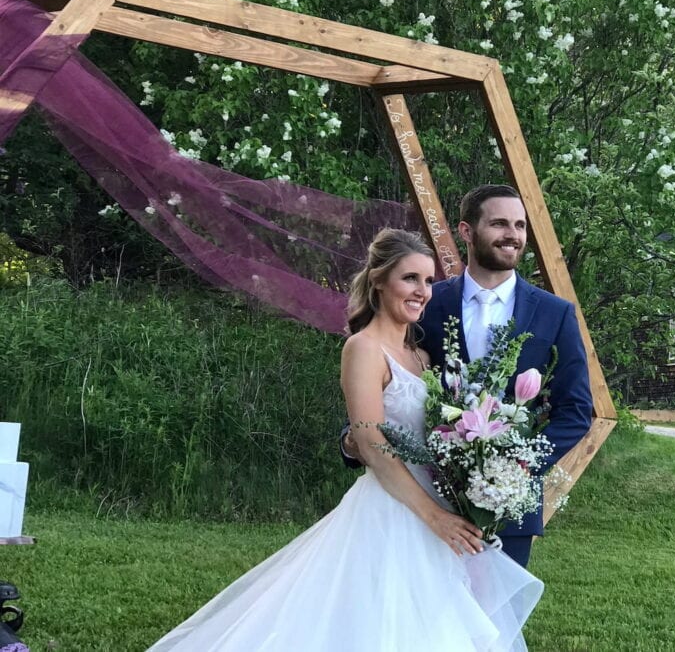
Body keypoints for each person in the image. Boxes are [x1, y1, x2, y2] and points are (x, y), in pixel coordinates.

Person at [149, 229, 543, 652]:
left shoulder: (424, 357)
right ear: (378, 280)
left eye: (428, 281)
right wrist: (434, 517)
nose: (422, 291)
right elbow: (371, 444)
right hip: (392, 513)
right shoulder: (363, 348)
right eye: (410, 278)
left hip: (440, 511)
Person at [342, 184, 593, 568]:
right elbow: (387, 376)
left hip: (509, 510)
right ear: (466, 231)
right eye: (499, 223)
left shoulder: (554, 314)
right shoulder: (427, 300)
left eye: (520, 225)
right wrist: (352, 439)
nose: (513, 234)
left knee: (496, 626)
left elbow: (575, 411)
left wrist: (512, 468)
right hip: (427, 502)